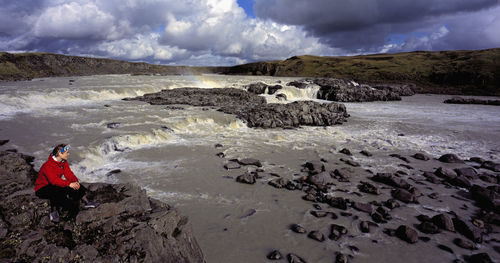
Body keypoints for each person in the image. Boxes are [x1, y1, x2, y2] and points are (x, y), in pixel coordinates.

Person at [34, 144, 98, 223]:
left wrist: (75, 182)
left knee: (74, 185)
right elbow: (54, 180)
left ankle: (87, 202)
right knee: (56, 190)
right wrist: (69, 184)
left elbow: (69, 174)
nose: (68, 154)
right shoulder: (47, 166)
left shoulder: (63, 162)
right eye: (66, 152)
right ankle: (54, 212)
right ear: (59, 154)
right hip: (42, 188)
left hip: (54, 184)